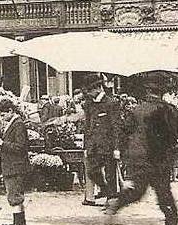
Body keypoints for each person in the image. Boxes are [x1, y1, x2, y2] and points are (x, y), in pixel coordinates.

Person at [104, 76, 178, 225]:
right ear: (161, 93)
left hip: (137, 158)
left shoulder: (136, 110)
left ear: (148, 92)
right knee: (165, 195)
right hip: (158, 159)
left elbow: (124, 131)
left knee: (138, 191)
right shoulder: (167, 109)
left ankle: (117, 202)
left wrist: (121, 150)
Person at [48, 74, 123, 206]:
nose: (88, 93)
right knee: (92, 171)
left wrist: (117, 148)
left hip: (108, 145)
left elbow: (116, 127)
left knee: (111, 174)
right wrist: (86, 147)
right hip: (93, 145)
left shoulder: (111, 103)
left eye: (90, 90)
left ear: (98, 88)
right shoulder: (89, 104)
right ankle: (105, 189)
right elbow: (87, 127)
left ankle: (111, 199)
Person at [0, 97, 32, 225]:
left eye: (3, 114)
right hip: (12, 165)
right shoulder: (13, 123)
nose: (2, 117)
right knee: (15, 195)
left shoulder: (18, 124)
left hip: (15, 166)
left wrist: (1, 143)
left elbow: (20, 147)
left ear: (10, 110)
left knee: (14, 196)